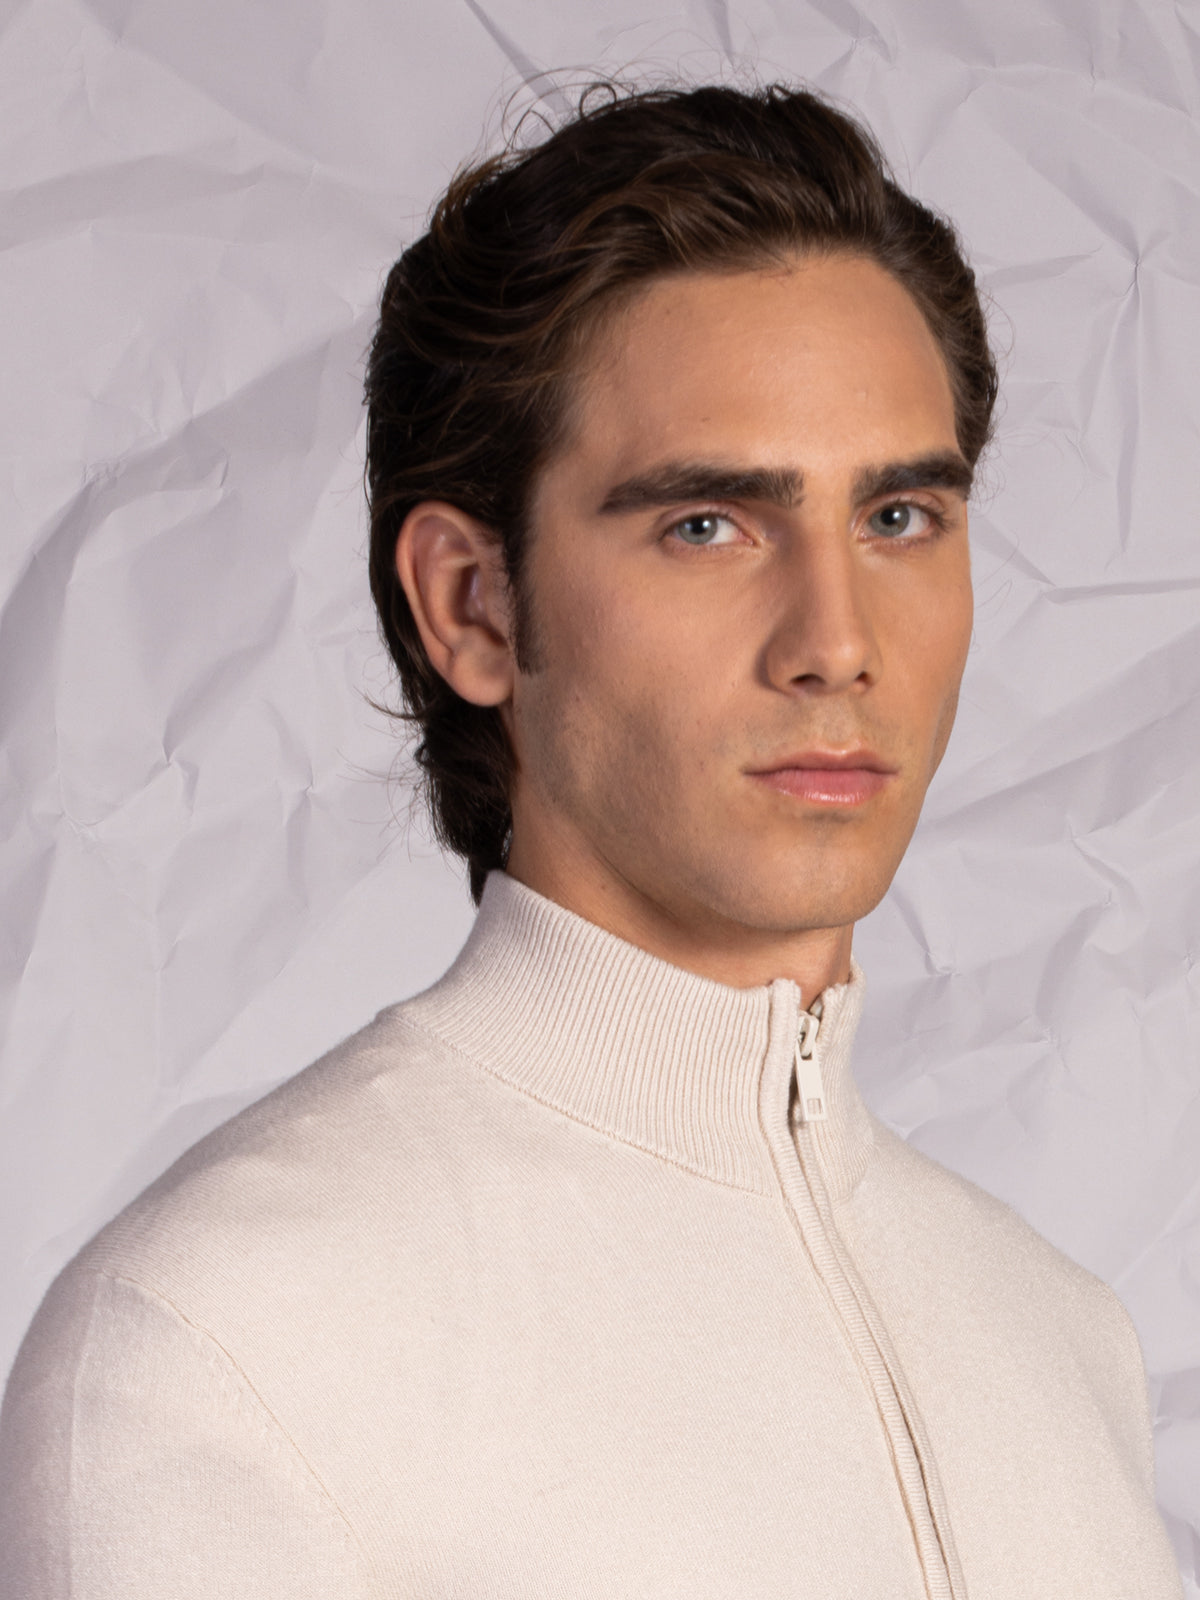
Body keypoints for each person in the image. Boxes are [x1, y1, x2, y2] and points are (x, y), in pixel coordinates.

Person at [0, 79, 1182, 1600]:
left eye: (898, 517)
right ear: (473, 606)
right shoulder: (222, 1353)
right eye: (708, 525)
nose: (837, 643)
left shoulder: (1062, 1340)